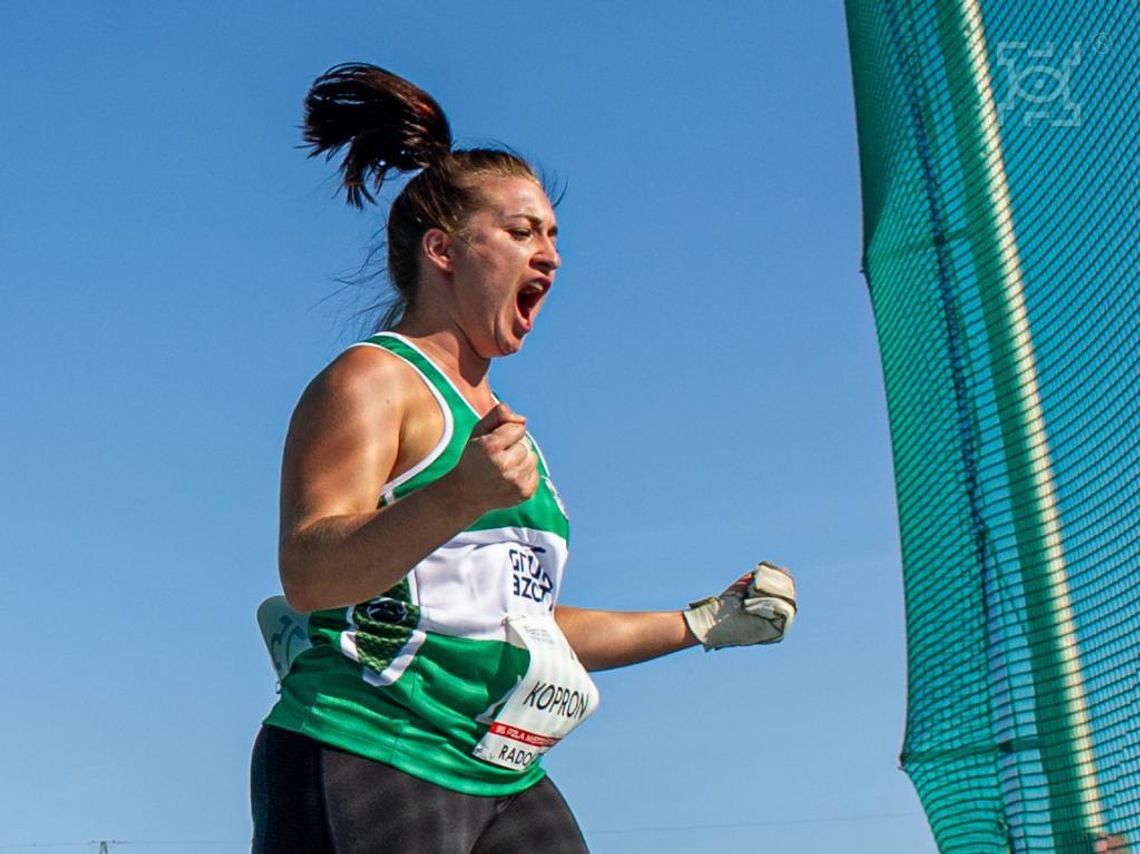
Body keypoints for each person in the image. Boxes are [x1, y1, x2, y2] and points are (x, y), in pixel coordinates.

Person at [251, 62, 797, 854]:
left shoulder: (507, 435)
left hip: (500, 773)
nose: (551, 255)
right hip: (368, 747)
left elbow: (523, 625)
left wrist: (697, 624)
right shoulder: (375, 379)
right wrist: (456, 497)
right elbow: (307, 572)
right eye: (522, 232)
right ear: (444, 250)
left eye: (552, 236)